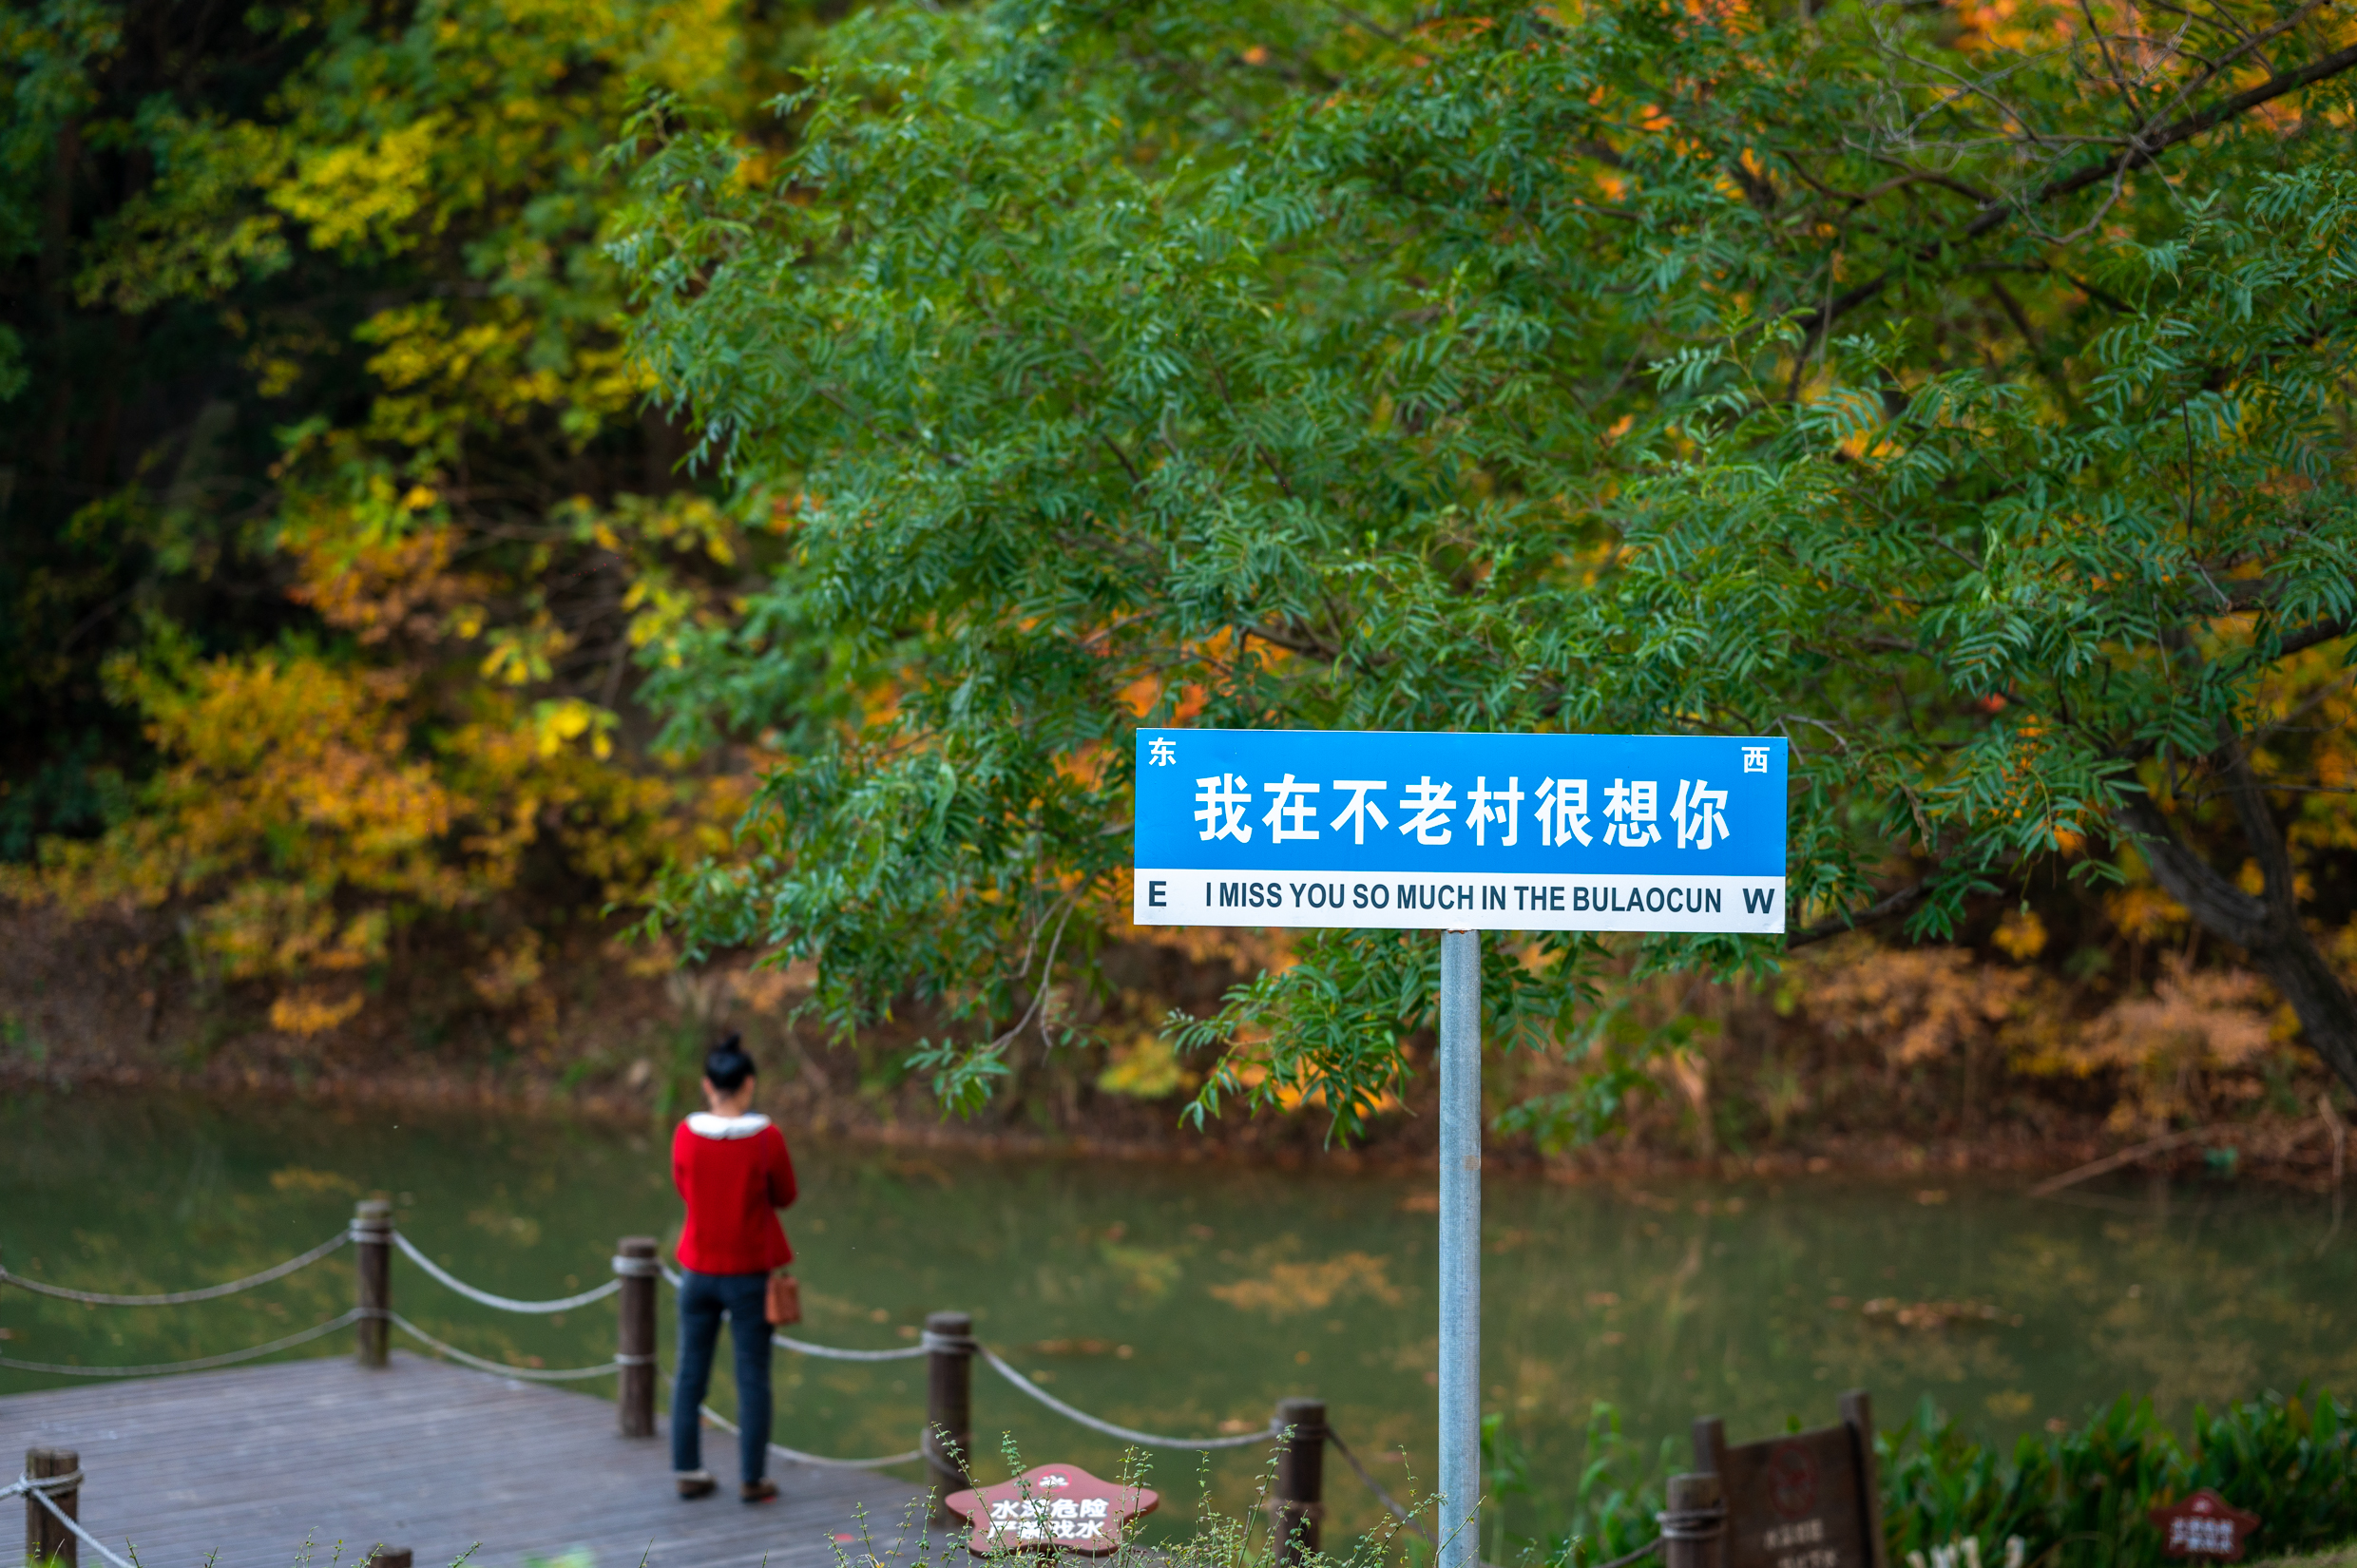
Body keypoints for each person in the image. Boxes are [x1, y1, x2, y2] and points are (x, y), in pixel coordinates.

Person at [669, 1034, 795, 1503]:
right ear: (748, 1085)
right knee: (753, 1377)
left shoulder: (684, 1134)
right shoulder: (767, 1138)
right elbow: (786, 1195)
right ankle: (752, 1478)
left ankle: (687, 1470)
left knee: (689, 1374)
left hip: (697, 1270)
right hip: (748, 1276)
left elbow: (684, 1187)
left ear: (707, 1085)